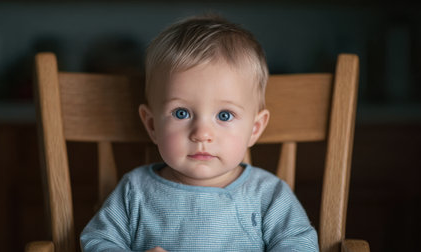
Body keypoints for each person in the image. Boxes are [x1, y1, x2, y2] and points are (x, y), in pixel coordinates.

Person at [80, 14, 319, 252]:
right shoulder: (135, 190)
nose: (202, 134)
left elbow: (300, 244)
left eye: (224, 115)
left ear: (255, 129)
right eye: (181, 113)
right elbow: (97, 241)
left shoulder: (268, 194)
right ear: (152, 125)